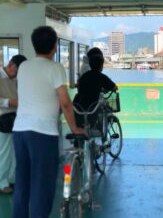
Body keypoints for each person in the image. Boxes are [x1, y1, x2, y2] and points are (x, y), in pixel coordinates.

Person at [12, 26, 86, 218]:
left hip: (19, 131)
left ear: (34, 44)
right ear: (54, 47)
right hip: (43, 134)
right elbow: (65, 102)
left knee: (22, 183)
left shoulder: (24, 67)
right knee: (41, 186)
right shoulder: (55, 68)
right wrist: (75, 128)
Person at [0, 55, 26, 194]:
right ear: (10, 64)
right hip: (2, 118)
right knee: (3, 151)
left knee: (13, 151)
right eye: (15, 72)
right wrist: (10, 102)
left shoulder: (14, 79)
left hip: (13, 117)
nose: (15, 75)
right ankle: (1, 182)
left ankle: (11, 179)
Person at [74, 49, 117, 127]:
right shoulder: (102, 77)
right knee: (107, 108)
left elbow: (79, 86)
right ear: (101, 66)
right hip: (93, 106)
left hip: (79, 104)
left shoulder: (84, 75)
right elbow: (115, 87)